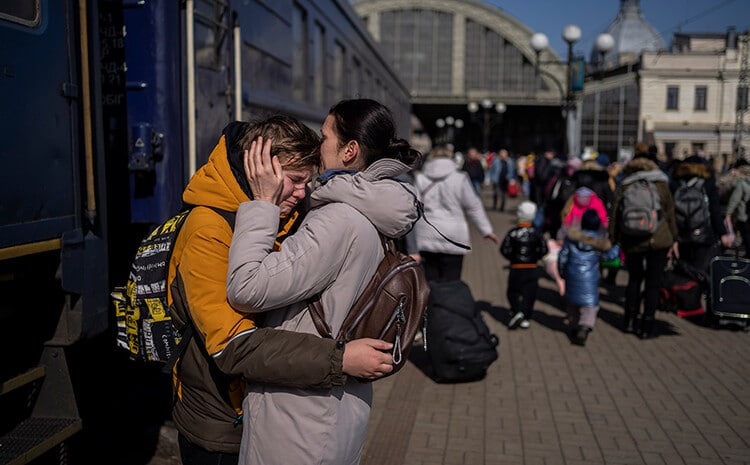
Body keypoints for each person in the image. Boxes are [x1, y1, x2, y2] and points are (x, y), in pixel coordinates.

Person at [168, 116, 395, 465]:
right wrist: (340, 359)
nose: (304, 193)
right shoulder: (207, 230)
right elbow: (234, 347)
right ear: (261, 170)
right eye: (294, 181)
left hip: (267, 413)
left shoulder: (286, 211)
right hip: (222, 426)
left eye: (309, 181)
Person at [225, 99, 422, 465]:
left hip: (300, 419)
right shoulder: (373, 218)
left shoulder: (338, 221)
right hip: (336, 408)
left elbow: (246, 288)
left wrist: (263, 204)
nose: (319, 145)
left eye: (325, 136)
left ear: (349, 150)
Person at [609, 152, 678, 339]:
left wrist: (614, 238)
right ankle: (647, 324)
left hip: (632, 239)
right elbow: (670, 212)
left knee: (634, 280)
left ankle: (629, 321)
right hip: (659, 238)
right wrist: (674, 238)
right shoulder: (661, 183)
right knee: (653, 284)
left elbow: (615, 213)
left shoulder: (625, 183)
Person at [413, 145, 499, 283]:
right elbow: (473, 207)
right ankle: (449, 304)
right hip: (454, 237)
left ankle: (432, 304)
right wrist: (486, 230)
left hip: (426, 234)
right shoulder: (460, 178)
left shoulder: (421, 178)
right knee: (452, 281)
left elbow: (414, 207)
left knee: (429, 281)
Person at [558, 209, 619, 346]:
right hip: (590, 279)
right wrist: (616, 246)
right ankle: (584, 327)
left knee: (572, 303)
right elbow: (610, 256)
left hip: (572, 276)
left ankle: (574, 325)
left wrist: (562, 273)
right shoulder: (599, 243)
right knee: (589, 306)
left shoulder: (572, 240)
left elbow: (562, 257)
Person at [500, 201, 548, 329]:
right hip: (532, 268)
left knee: (513, 291)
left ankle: (517, 311)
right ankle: (526, 316)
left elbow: (504, 249)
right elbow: (544, 249)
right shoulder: (536, 233)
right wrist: (535, 258)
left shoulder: (513, 232)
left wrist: (513, 258)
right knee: (530, 293)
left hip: (516, 268)